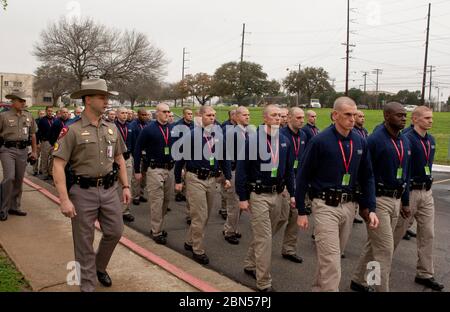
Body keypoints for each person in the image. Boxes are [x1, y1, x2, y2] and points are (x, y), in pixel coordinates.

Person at [52, 78, 131, 292]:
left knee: (115, 231)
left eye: (106, 97)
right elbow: (58, 166)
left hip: (109, 189)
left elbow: (120, 159)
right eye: (101, 97)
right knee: (84, 243)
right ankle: (87, 287)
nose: (106, 101)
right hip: (82, 192)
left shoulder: (112, 128)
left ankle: (98, 267)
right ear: (88, 100)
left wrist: (125, 186)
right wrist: (64, 200)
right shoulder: (72, 130)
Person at [296, 97, 378, 292]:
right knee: (332, 262)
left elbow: (367, 176)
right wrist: (301, 210)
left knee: (330, 259)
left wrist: (371, 207)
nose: (352, 119)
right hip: (324, 206)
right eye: (347, 115)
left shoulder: (360, 141)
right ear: (335, 115)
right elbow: (303, 176)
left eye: (354, 114)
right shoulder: (320, 141)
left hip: (349, 207)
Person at [351, 102, 411, 292]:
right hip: (377, 201)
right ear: (386, 116)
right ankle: (379, 288)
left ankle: (359, 280)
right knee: (385, 249)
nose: (403, 118)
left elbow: (406, 174)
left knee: (375, 245)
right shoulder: (374, 140)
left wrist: (405, 201)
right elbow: (364, 174)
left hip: (396, 199)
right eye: (399, 115)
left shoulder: (404, 140)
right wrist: (365, 204)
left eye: (404, 115)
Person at [236, 104, 296, 292]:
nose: (278, 118)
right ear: (265, 118)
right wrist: (243, 197)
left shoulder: (285, 141)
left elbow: (289, 172)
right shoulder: (252, 141)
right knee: (264, 239)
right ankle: (264, 282)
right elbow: (242, 171)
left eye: (280, 115)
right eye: (274, 115)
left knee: (268, 233)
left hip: (277, 194)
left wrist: (293, 194)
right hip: (258, 195)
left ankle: (250, 263)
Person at [392, 106, 444, 291]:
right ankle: (379, 267)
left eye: (432, 118)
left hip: (427, 193)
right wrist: (405, 200)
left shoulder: (431, 140)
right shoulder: (406, 139)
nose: (431, 121)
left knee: (428, 234)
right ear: (415, 119)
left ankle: (425, 274)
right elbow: (403, 170)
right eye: (427, 118)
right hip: (410, 192)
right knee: (396, 232)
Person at [174, 105, 231, 265]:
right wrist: (178, 180)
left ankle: (189, 241)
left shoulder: (218, 135)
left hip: (212, 180)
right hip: (195, 179)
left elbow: (224, 157)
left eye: (213, 115)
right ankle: (198, 250)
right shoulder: (191, 135)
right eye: (208, 115)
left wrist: (227, 176)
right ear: (200, 116)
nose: (212, 118)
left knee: (204, 216)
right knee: (200, 215)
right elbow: (180, 160)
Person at [134, 103, 174, 244]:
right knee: (157, 201)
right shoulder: (148, 129)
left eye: (168, 111)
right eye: (164, 112)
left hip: (169, 169)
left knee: (166, 200)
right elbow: (138, 149)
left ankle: (158, 226)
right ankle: (156, 231)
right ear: (157, 113)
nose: (167, 114)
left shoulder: (172, 128)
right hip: (154, 169)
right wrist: (137, 170)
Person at [275, 107, 307, 263]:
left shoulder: (304, 136)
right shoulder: (281, 135)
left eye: (303, 118)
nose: (302, 120)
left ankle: (289, 249)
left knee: (295, 217)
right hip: (284, 182)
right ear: (288, 119)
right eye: (299, 118)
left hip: (297, 180)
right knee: (281, 217)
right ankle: (262, 243)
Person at [0, 91, 37, 221]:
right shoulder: (3, 116)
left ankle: (14, 207)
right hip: (7, 150)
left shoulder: (28, 116)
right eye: (20, 101)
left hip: (22, 150)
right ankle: (3, 208)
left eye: (24, 101)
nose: (23, 103)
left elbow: (33, 134)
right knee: (9, 177)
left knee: (19, 180)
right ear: (13, 102)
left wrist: (34, 151)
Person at [222, 106, 250, 245]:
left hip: (243, 172)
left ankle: (232, 227)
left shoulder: (247, 132)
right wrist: (227, 176)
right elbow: (226, 155)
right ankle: (229, 232)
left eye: (248, 115)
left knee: (239, 203)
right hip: (234, 171)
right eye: (244, 115)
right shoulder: (232, 133)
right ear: (237, 117)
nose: (247, 117)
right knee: (234, 203)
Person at [173, 107, 194, 223]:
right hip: (181, 154)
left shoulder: (194, 125)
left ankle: (190, 212)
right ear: (183, 115)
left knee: (188, 180)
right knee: (180, 174)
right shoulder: (177, 126)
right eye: (188, 114)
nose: (190, 116)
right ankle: (178, 192)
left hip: (190, 156)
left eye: (191, 114)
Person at [115, 107, 134, 222]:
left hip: (127, 158)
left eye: (126, 113)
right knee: (115, 186)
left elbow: (134, 142)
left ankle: (125, 211)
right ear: (117, 114)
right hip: (115, 160)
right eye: (122, 113)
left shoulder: (130, 126)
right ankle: (115, 210)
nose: (125, 115)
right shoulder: (112, 126)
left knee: (127, 185)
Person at [129, 109, 150, 206]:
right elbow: (132, 141)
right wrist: (134, 153)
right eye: (143, 115)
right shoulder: (133, 125)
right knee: (136, 177)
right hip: (136, 154)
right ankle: (135, 196)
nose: (145, 116)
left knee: (144, 176)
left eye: (146, 115)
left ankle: (141, 193)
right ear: (138, 115)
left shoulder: (147, 125)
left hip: (146, 155)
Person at [37, 106, 55, 180]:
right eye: (48, 111)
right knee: (45, 158)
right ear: (46, 111)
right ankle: (44, 173)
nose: (50, 112)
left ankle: (50, 172)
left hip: (54, 142)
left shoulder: (55, 120)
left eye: (51, 111)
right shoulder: (42, 120)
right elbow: (38, 132)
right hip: (45, 141)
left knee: (53, 158)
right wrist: (38, 142)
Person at [33, 110, 46, 176]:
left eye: (43, 113)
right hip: (36, 142)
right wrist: (37, 143)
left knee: (43, 157)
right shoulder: (36, 121)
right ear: (38, 114)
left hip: (44, 141)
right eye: (41, 113)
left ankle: (41, 169)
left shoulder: (46, 121)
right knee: (36, 156)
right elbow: (34, 133)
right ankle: (35, 170)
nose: (42, 115)